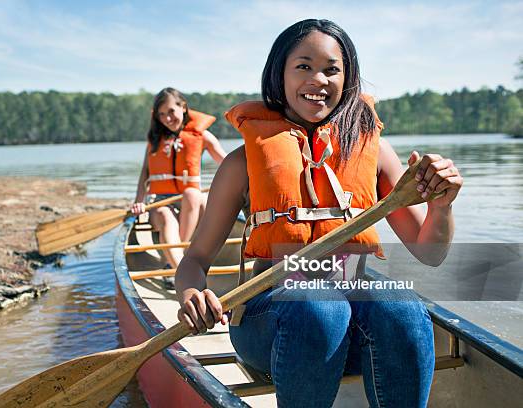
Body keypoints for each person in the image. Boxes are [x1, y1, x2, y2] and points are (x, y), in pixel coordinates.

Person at [175, 19, 463, 407]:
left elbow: (430, 253)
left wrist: (440, 207)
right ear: (280, 74)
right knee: (317, 302)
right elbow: (194, 260)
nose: (319, 80)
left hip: (357, 327)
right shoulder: (241, 163)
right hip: (271, 324)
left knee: (401, 306)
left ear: (349, 79)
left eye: (332, 69)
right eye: (304, 66)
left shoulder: (374, 152)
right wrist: (192, 292)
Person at [131, 87, 226, 288]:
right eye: (162, 114)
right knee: (165, 216)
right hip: (162, 202)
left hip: (191, 206)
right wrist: (139, 201)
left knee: (192, 194)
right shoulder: (155, 141)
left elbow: (227, 164)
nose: (167, 118)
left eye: (171, 111)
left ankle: (173, 261)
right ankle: (183, 269)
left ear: (183, 107)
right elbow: (145, 173)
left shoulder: (202, 136)